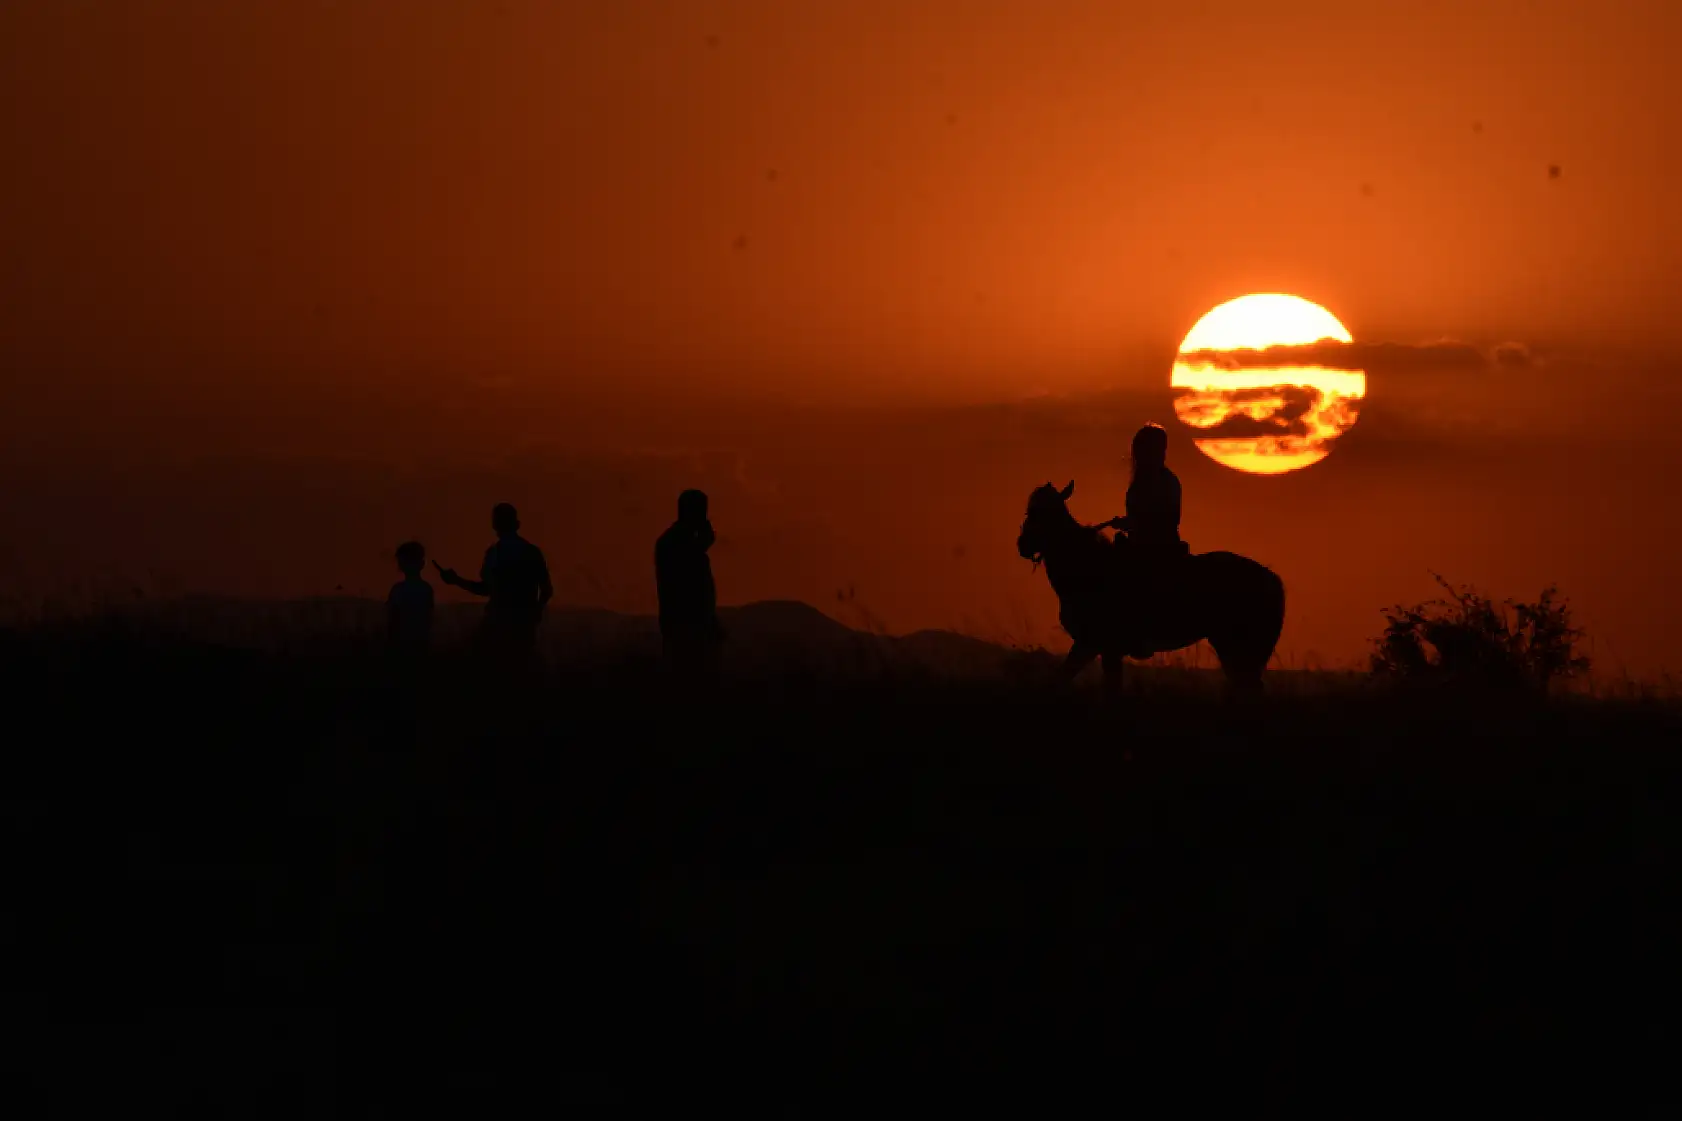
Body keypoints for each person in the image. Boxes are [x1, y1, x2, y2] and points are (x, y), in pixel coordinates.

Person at [434, 503, 553, 668]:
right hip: (522, 625)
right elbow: (547, 590)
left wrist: (456, 580)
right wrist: (535, 612)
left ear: (495, 525)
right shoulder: (532, 552)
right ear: (516, 523)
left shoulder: (494, 554)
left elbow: (485, 589)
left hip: (499, 623)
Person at [1105, 423, 1187, 658]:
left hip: (1159, 548)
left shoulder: (1168, 482)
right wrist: (1127, 522)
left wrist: (1134, 524)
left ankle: (1141, 633)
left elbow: (1168, 519)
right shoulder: (1142, 482)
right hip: (1139, 544)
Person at [655, 489, 723, 683]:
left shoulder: (670, 541)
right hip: (686, 627)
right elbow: (691, 578)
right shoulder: (678, 544)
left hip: (684, 626)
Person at [386, 540, 435, 660]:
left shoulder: (398, 590)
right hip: (418, 643)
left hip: (404, 644)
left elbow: (392, 618)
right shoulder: (425, 589)